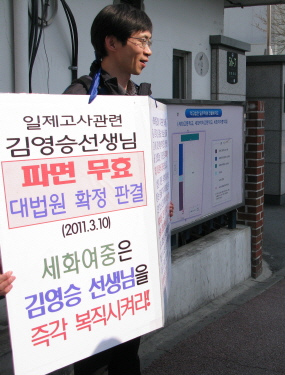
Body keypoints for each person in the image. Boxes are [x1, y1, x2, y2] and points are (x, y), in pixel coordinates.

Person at [64, 4, 172, 374]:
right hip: (95, 257)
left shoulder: (143, 100)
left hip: (134, 253)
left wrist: (160, 201)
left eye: (150, 42)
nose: (149, 51)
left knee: (128, 355)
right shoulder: (78, 100)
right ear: (111, 42)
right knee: (92, 360)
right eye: (142, 41)